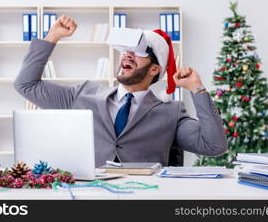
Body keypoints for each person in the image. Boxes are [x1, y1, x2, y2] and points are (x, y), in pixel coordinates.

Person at [14, 15, 227, 167]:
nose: (127, 55)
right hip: (90, 198)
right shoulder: (82, 95)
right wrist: (53, 36)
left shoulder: (171, 113)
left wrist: (197, 89)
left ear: (155, 69)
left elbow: (214, 145)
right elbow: (26, 84)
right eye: (125, 51)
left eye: (137, 52)